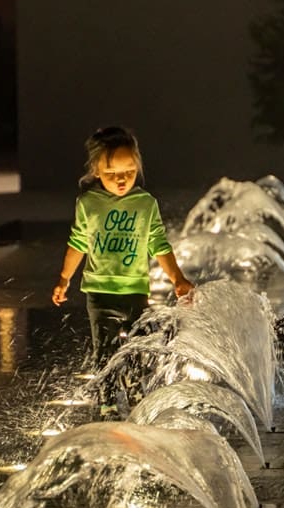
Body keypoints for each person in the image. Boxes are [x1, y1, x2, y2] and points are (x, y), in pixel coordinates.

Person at [51, 126, 193, 415]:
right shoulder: (88, 203)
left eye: (128, 171)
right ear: (96, 171)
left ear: (137, 167)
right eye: (112, 172)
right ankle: (106, 403)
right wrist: (64, 279)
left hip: (135, 291)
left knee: (139, 349)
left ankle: (137, 395)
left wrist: (177, 278)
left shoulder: (145, 204)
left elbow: (158, 244)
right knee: (105, 351)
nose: (121, 179)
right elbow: (77, 243)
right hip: (99, 292)